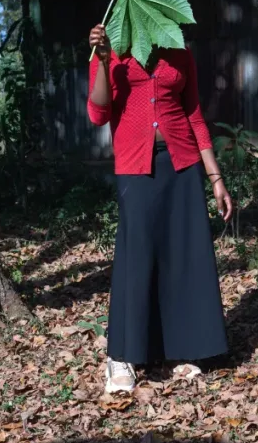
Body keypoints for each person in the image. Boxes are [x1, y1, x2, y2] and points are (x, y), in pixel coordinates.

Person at [87, 23, 233, 394]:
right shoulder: (112, 51)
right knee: (136, 256)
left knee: (183, 256)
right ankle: (121, 357)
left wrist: (215, 177)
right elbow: (98, 113)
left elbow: (194, 114)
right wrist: (104, 62)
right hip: (134, 166)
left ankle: (184, 350)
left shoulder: (179, 53)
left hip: (181, 164)